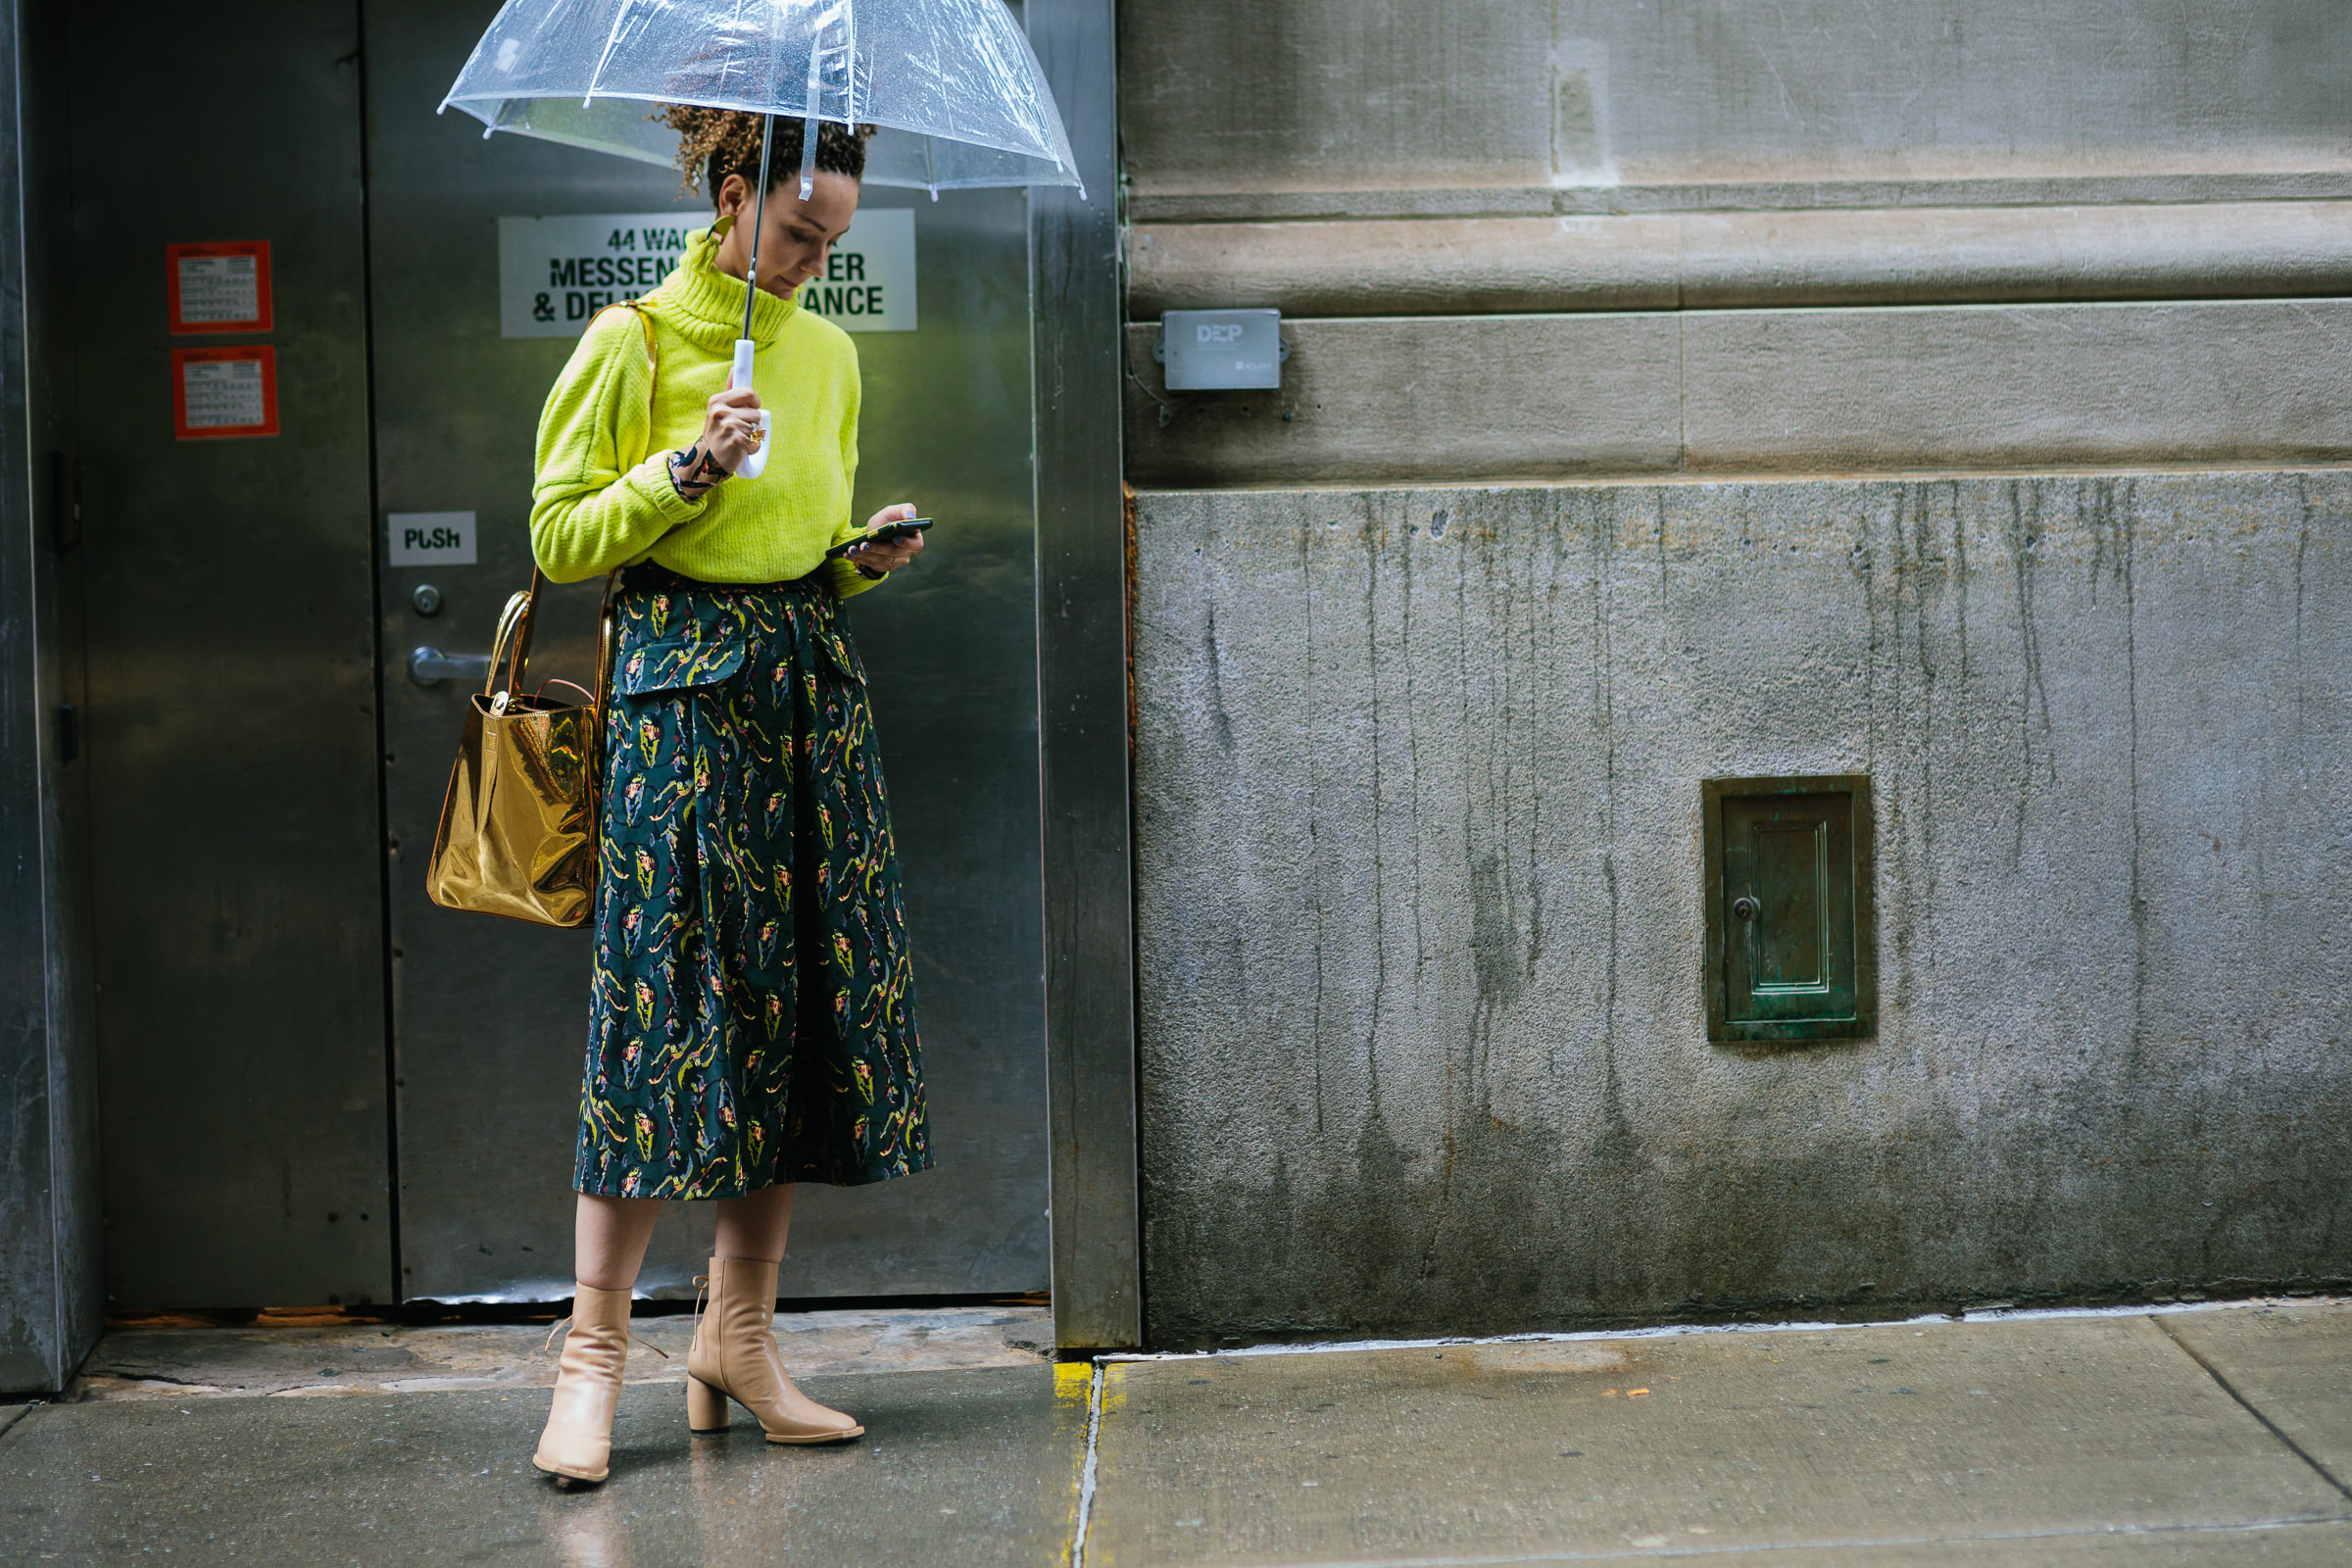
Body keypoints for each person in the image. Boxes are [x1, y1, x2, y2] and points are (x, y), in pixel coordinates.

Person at [523, 108, 933, 1487]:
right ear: (734, 191)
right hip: (676, 700)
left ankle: (738, 1339)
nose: (814, 265)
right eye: (801, 233)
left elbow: (802, 544)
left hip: (805, 688)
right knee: (662, 1008)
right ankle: (591, 1361)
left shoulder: (826, 354)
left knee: (797, 1011)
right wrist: (687, 464)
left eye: (835, 244)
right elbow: (561, 535)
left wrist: (860, 557)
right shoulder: (629, 340)